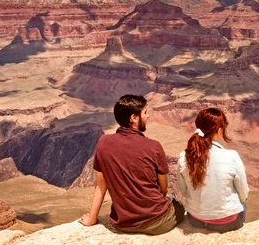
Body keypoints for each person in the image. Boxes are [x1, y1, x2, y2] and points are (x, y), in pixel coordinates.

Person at [79, 94, 184, 235]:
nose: (148, 117)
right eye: (145, 113)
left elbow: (100, 186)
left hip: (123, 224)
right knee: (179, 206)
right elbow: (163, 190)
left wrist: (92, 218)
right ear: (134, 118)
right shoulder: (154, 147)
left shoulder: (103, 143)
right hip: (158, 223)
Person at [178, 107, 249, 233]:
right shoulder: (231, 156)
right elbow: (243, 193)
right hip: (227, 223)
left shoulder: (184, 157)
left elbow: (183, 191)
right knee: (242, 205)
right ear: (219, 129)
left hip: (195, 219)